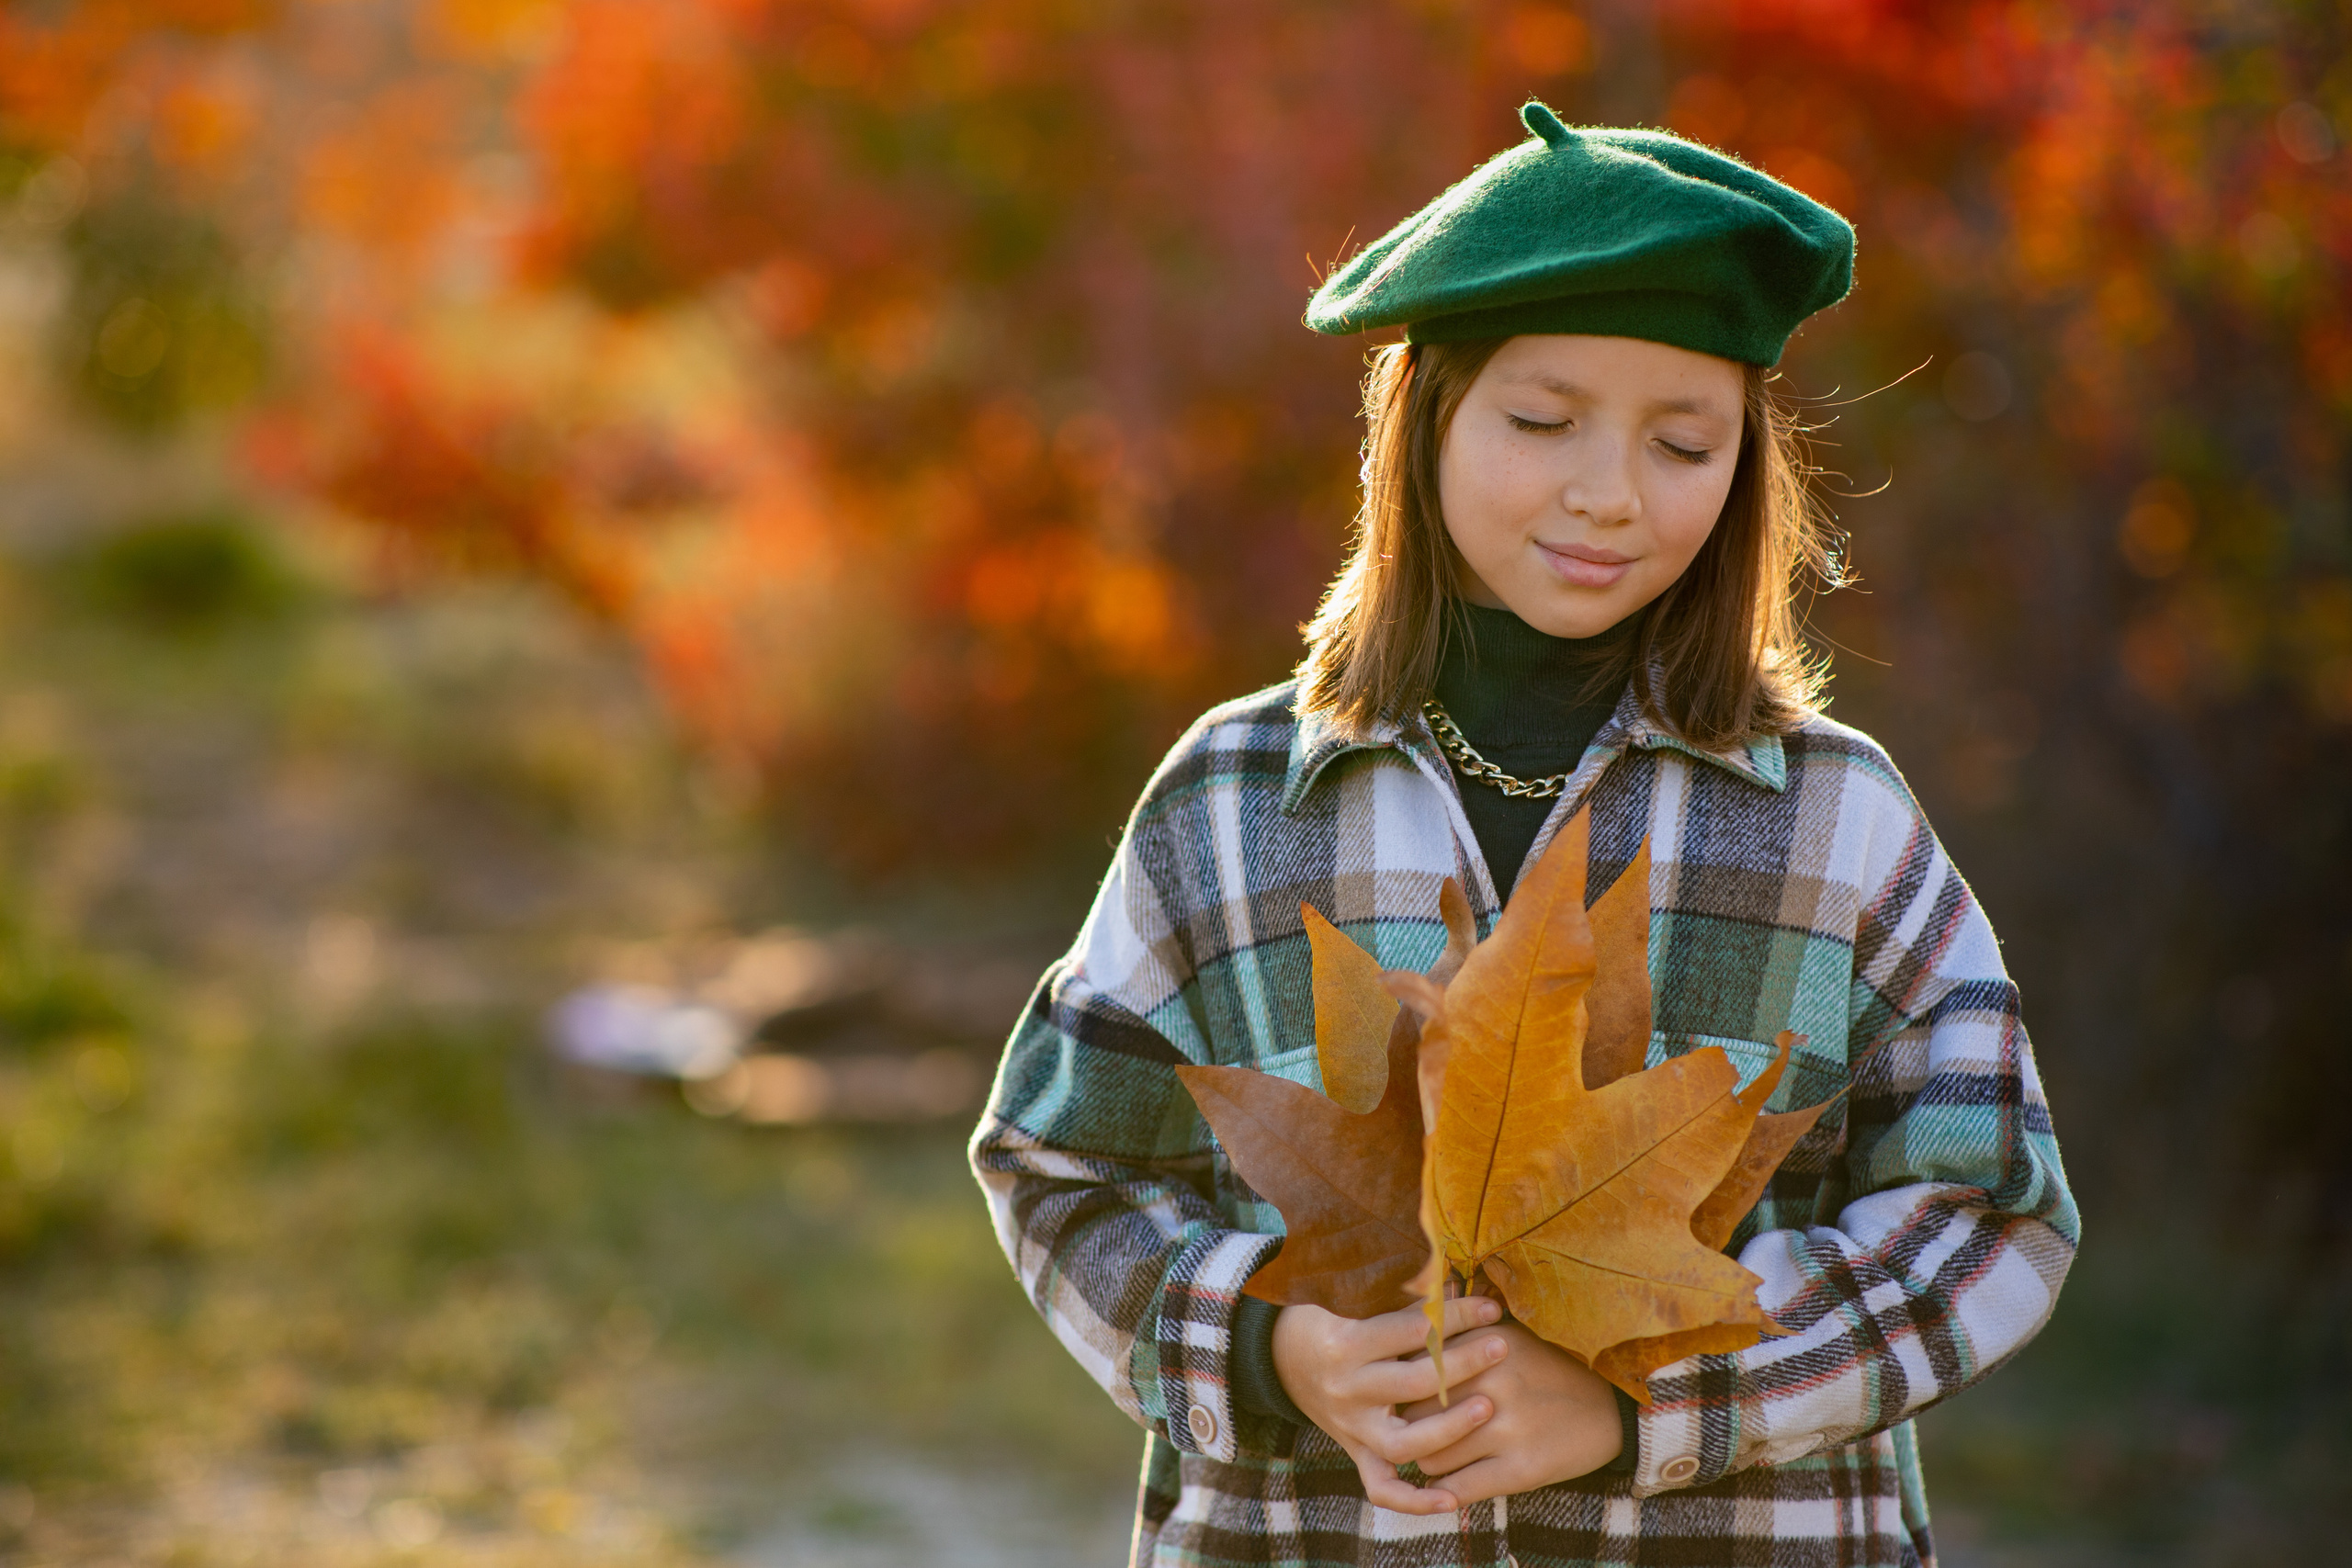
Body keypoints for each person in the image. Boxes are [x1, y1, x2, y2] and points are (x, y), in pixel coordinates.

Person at [971, 101, 2075, 1568]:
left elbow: (1990, 1213)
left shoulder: (1835, 823)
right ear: (1424, 419)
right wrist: (1272, 1348)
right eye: (1543, 421)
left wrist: (1655, 1398)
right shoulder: (1231, 804)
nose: (1608, 492)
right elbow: (1060, 1170)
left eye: (1685, 443)